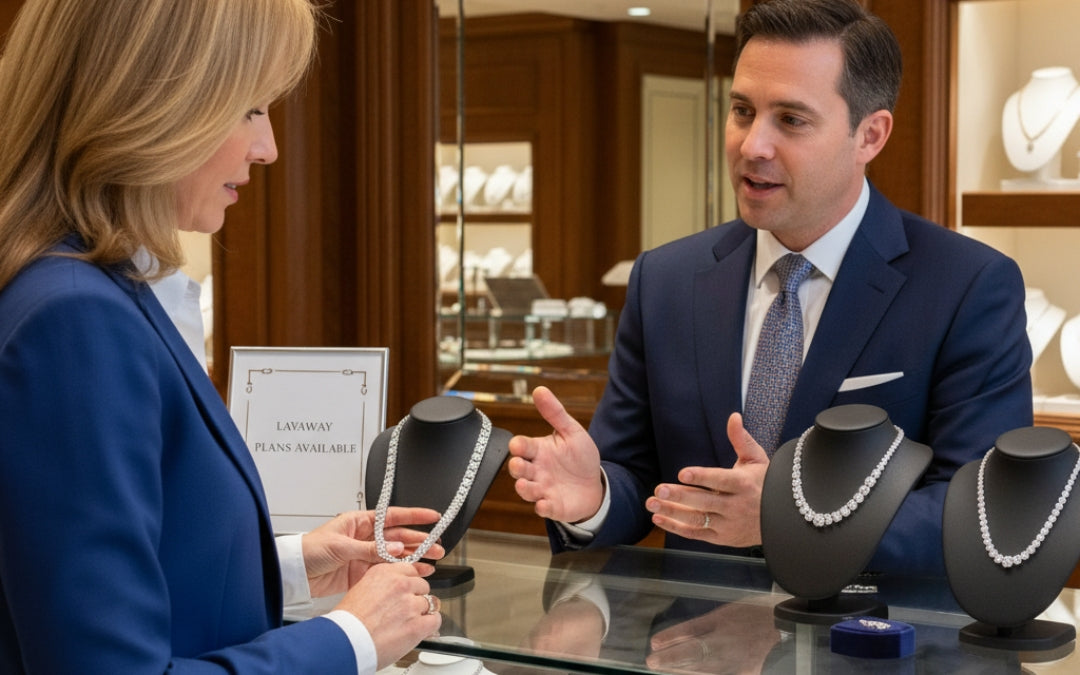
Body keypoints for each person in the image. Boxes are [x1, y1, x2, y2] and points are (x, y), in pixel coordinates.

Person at [507, 0, 1033, 577]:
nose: (752, 145)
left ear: (870, 135)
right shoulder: (665, 280)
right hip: (686, 655)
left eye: (791, 120)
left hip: (875, 650)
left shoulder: (967, 285)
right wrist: (595, 496)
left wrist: (787, 519)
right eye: (741, 110)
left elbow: (984, 514)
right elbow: (639, 479)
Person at [0, 1, 444, 672]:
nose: (267, 147)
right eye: (250, 109)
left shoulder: (88, 290)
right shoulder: (74, 318)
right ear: (155, 100)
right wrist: (352, 636)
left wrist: (287, 563)